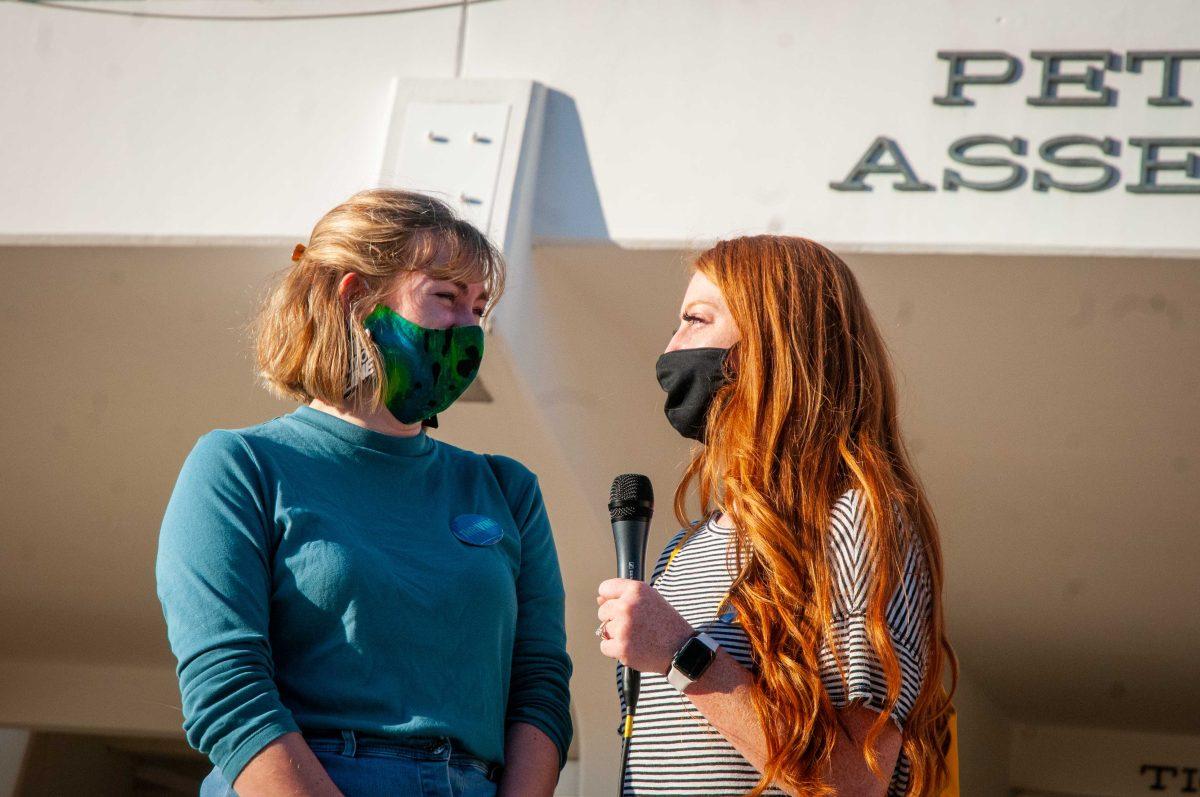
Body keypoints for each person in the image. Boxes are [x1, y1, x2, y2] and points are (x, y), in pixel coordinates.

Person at [156, 189, 572, 797]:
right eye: (445, 298)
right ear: (354, 299)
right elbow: (226, 689)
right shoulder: (241, 465)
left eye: (478, 307)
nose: (468, 330)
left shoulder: (506, 489)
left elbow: (540, 688)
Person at [596, 235, 956, 796]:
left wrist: (681, 653)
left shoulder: (854, 520)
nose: (671, 348)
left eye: (696, 320)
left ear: (771, 346)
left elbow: (856, 783)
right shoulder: (683, 548)